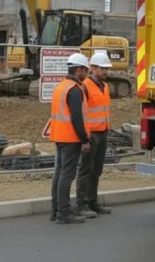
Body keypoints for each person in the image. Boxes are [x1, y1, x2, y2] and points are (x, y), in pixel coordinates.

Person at [50, 52, 91, 224]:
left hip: (59, 136)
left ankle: (57, 210)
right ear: (79, 70)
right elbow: (76, 117)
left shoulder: (61, 86)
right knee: (67, 176)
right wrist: (84, 140)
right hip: (70, 138)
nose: (86, 74)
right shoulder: (74, 90)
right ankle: (64, 213)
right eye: (86, 70)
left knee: (59, 174)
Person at [75, 52, 113, 218]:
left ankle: (92, 201)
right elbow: (81, 112)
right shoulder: (85, 86)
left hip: (103, 132)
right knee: (86, 169)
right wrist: (85, 135)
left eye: (106, 69)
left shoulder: (104, 87)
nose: (105, 72)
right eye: (102, 68)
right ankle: (81, 204)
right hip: (91, 134)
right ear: (94, 68)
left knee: (96, 170)